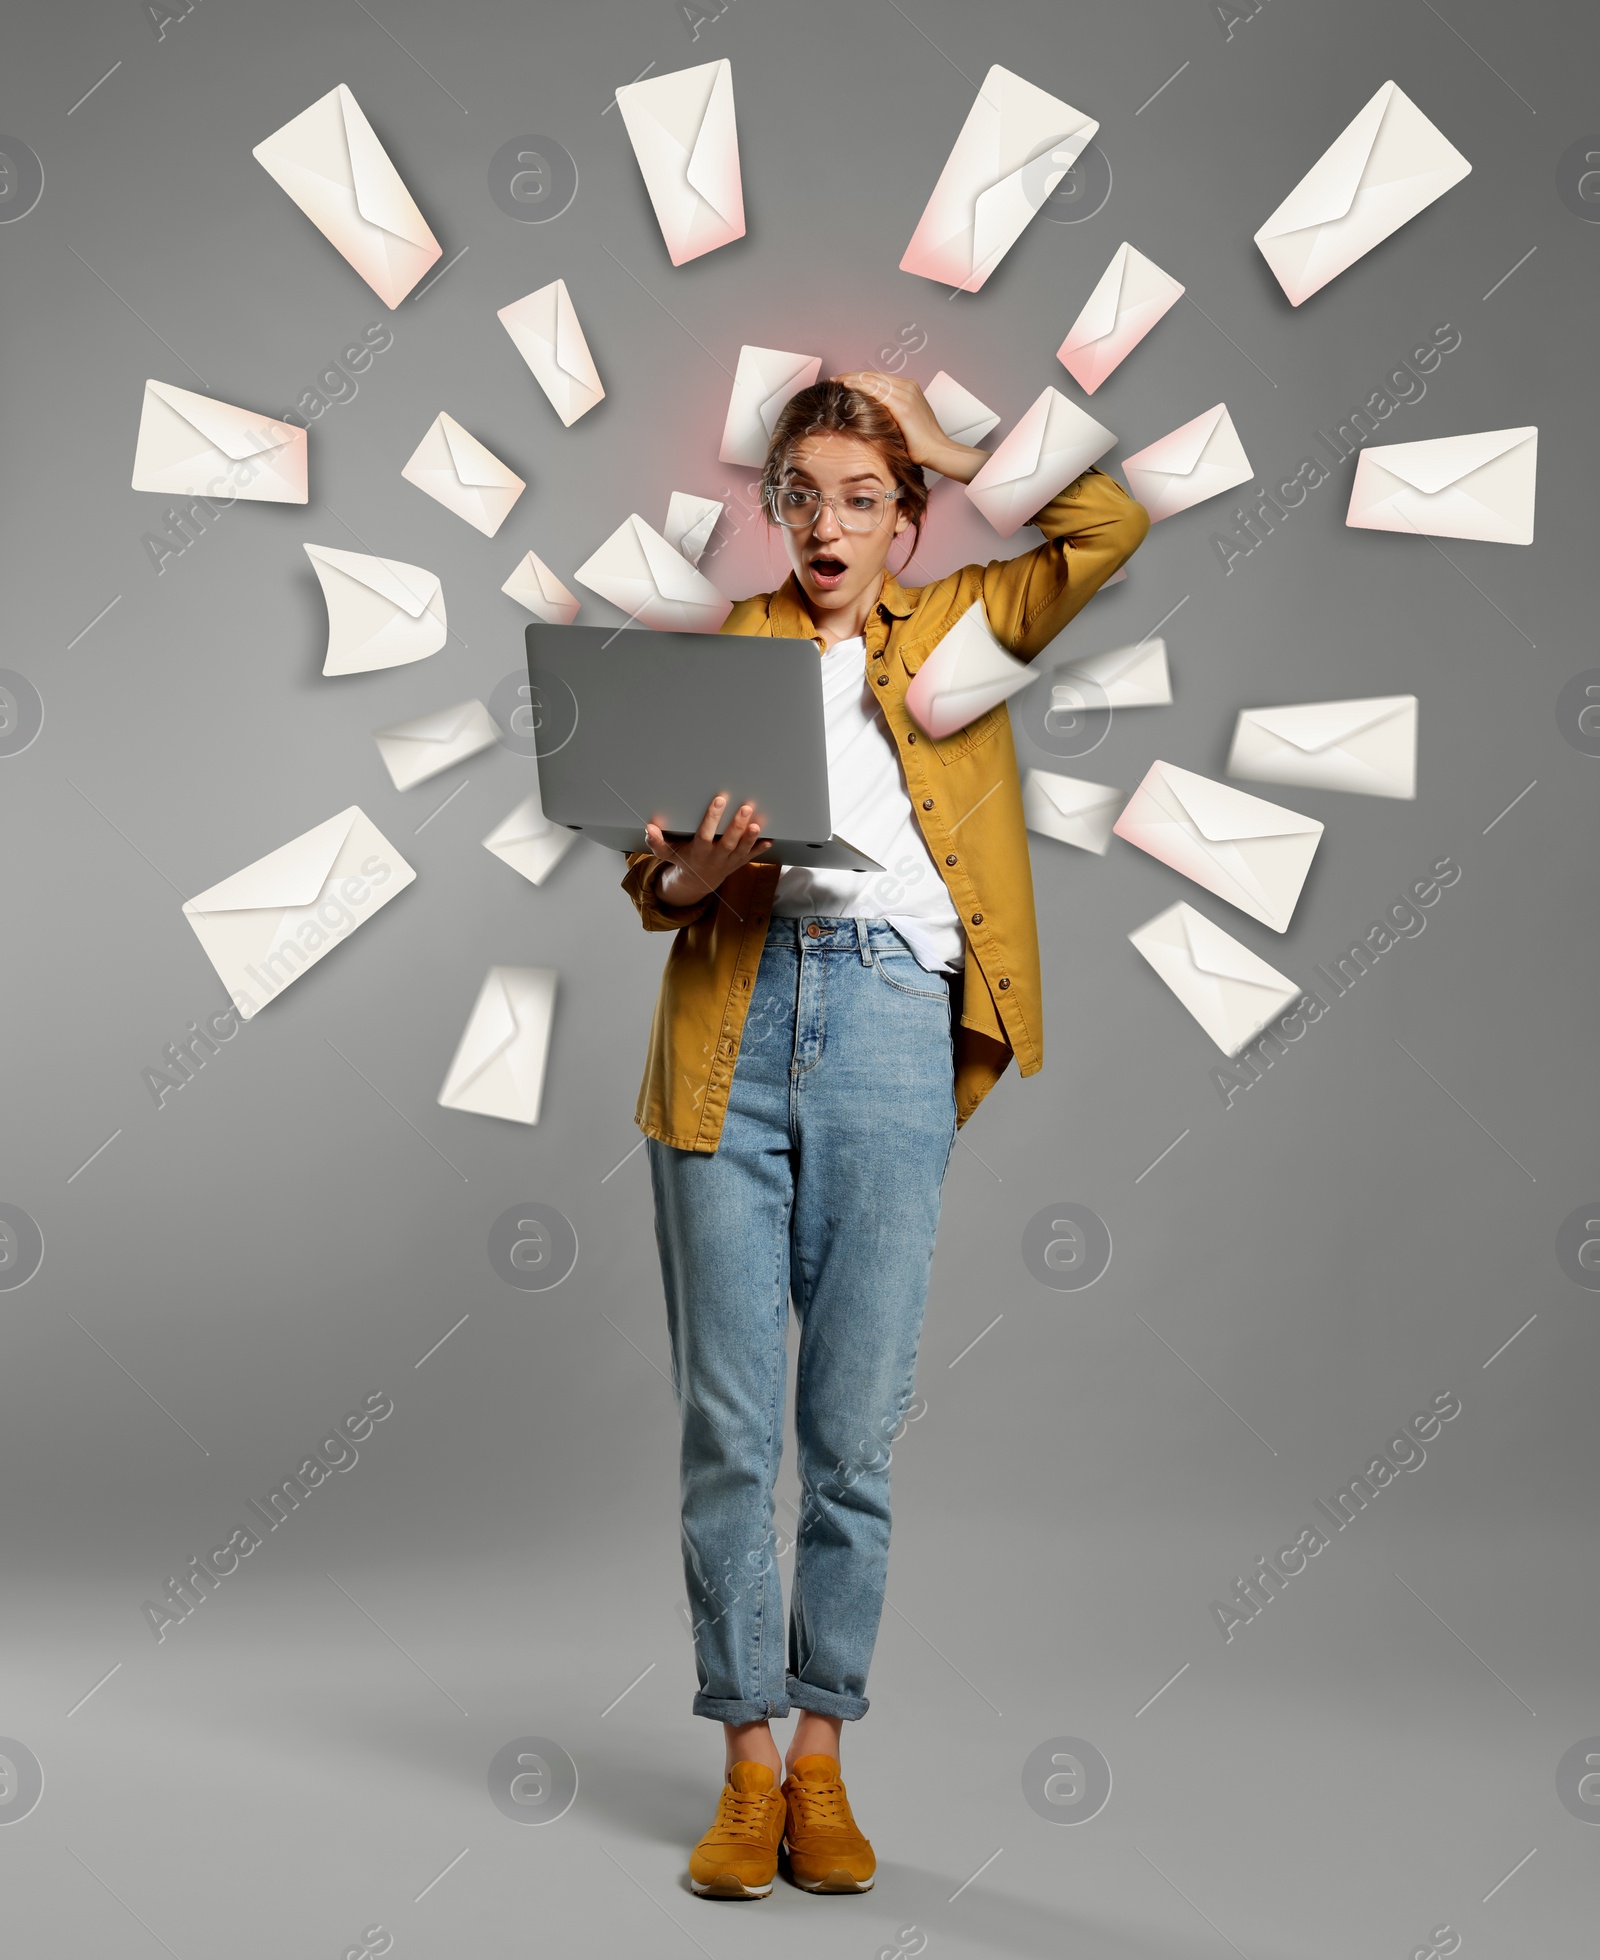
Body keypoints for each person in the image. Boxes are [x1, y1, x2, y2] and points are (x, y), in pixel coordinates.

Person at [620, 372, 1149, 1898]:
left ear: (908, 516)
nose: (829, 523)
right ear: (771, 511)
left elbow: (1107, 519)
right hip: (729, 1017)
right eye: (802, 496)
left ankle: (826, 1760)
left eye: (864, 496)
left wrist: (964, 443)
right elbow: (649, 894)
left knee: (848, 1436)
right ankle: (742, 1762)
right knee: (729, 1428)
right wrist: (696, 869)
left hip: (888, 1028)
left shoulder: (969, 627)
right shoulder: (735, 648)